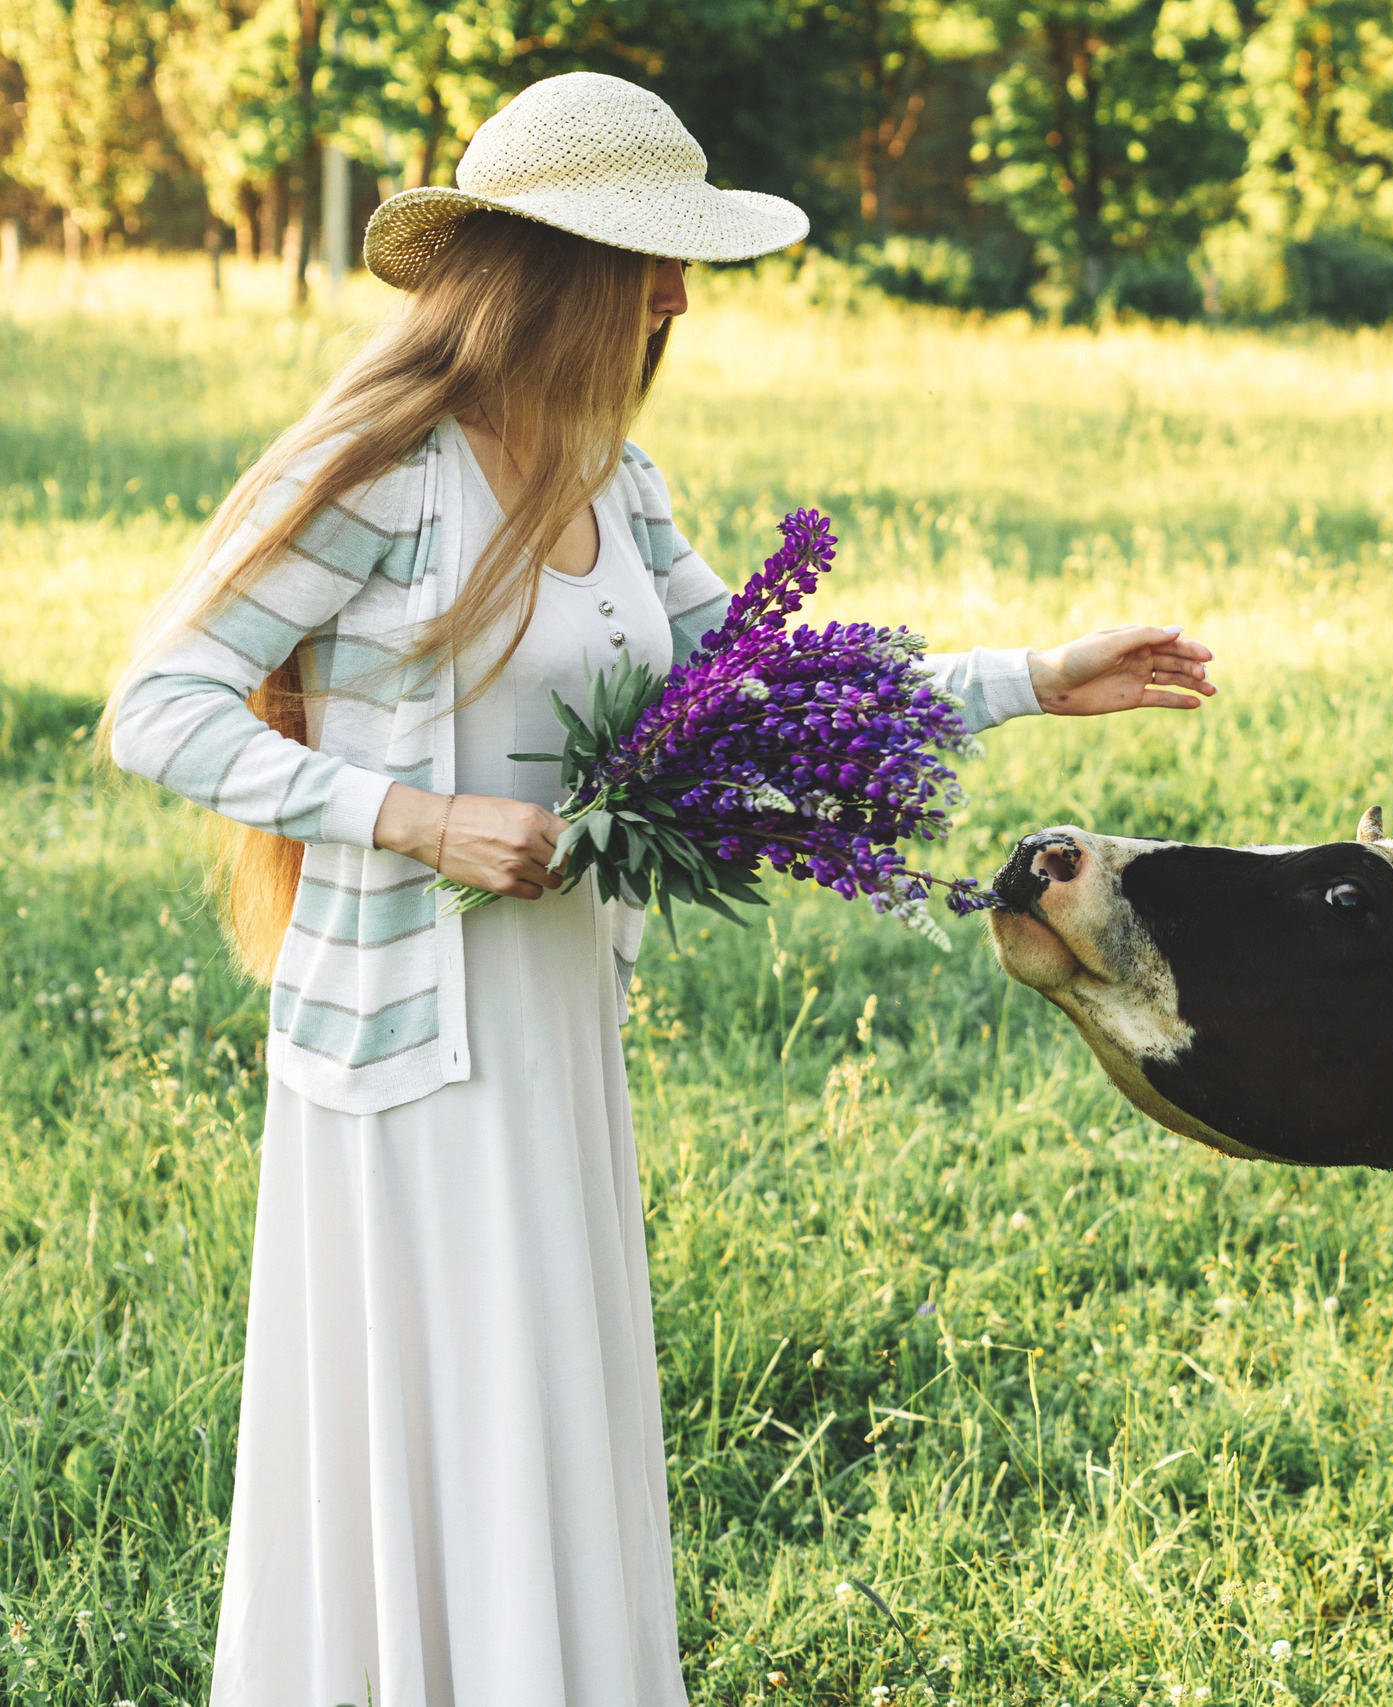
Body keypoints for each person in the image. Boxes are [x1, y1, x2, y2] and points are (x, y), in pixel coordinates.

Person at [106, 71, 1214, 1707]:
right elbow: (159, 705)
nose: (681, 298)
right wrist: (414, 816)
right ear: (557, 266)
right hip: (411, 1041)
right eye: (655, 258)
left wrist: (1033, 678)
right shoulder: (376, 469)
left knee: (545, 1387)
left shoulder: (613, 482)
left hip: (554, 1015)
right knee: (453, 1389)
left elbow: (763, 696)